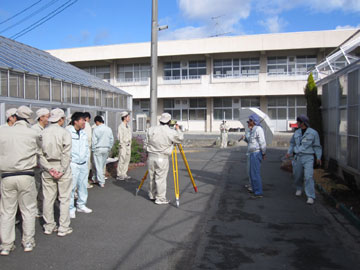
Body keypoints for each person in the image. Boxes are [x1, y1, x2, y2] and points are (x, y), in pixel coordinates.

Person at [0, 106, 41, 255]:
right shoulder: (32, 133)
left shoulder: (2, 131)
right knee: (28, 210)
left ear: (15, 117)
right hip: (26, 174)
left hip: (6, 176)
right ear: (29, 119)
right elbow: (40, 150)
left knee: (6, 211)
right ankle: (28, 241)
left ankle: (6, 245)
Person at [39, 108, 73, 236]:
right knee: (64, 198)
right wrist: (62, 169)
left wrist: (48, 168)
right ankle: (63, 227)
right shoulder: (65, 133)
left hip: (48, 168)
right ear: (61, 119)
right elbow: (66, 153)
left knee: (48, 198)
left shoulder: (43, 133)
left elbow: (39, 153)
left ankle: (49, 226)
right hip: (61, 166)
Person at [145, 113, 184, 205]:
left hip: (151, 156)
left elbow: (145, 142)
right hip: (162, 157)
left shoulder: (150, 129)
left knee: (151, 177)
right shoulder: (171, 132)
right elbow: (180, 139)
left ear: (160, 120)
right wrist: (178, 130)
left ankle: (152, 195)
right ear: (169, 122)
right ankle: (160, 198)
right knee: (160, 178)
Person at [285, 115, 322, 205]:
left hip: (308, 157)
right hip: (298, 157)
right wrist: (289, 152)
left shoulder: (313, 133)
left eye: (298, 122)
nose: (297, 123)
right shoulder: (296, 133)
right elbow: (292, 143)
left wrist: (318, 157)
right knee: (297, 175)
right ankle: (299, 187)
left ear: (303, 123)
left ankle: (310, 196)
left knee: (308, 176)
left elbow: (317, 146)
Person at [67, 112, 92, 218]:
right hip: (73, 163)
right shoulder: (68, 132)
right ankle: (70, 208)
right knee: (71, 187)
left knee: (83, 185)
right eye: (82, 120)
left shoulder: (83, 133)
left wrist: (86, 159)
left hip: (83, 163)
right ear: (75, 121)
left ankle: (81, 205)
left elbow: (86, 147)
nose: (84, 122)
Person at [240, 114, 266, 199]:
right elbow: (250, 142)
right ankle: (255, 190)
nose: (248, 122)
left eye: (250, 121)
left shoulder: (258, 129)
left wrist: (263, 153)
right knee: (251, 173)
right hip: (251, 153)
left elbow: (262, 142)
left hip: (256, 153)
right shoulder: (252, 130)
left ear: (254, 121)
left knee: (255, 173)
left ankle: (258, 193)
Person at [31, 108, 50, 218]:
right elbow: (34, 148)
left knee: (42, 187)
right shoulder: (34, 130)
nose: (49, 119)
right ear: (41, 117)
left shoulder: (45, 129)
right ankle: (34, 209)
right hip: (37, 163)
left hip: (44, 163)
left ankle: (40, 208)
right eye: (47, 116)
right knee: (36, 187)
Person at [91, 116, 114, 187]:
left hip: (98, 149)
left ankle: (101, 181)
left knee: (98, 166)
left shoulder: (96, 129)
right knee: (102, 165)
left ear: (97, 122)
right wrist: (109, 147)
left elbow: (94, 141)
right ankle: (95, 178)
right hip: (106, 149)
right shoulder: (108, 129)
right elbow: (111, 140)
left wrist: (93, 149)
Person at [116, 111, 132, 181]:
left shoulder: (128, 126)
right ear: (124, 117)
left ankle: (124, 173)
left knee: (127, 160)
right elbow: (120, 136)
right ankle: (119, 174)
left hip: (128, 145)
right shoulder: (121, 126)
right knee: (121, 159)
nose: (129, 118)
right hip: (123, 145)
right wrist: (122, 144)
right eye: (128, 117)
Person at [83, 112, 93, 188]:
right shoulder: (86, 125)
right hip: (86, 149)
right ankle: (85, 183)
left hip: (81, 149)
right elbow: (89, 138)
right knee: (86, 166)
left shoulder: (69, 127)